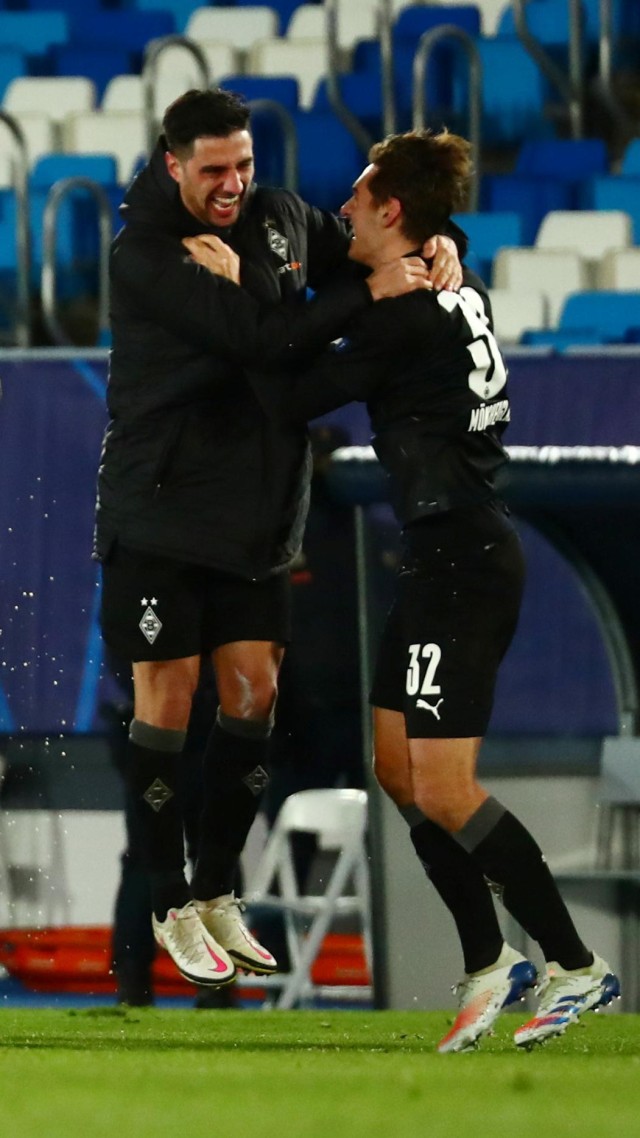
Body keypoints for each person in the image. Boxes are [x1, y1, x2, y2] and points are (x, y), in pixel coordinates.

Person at [186, 127, 621, 1050]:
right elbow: (401, 291)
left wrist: (231, 304)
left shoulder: (402, 316)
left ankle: (576, 966)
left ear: (391, 209)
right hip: (443, 554)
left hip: (461, 559)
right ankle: (487, 961)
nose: (341, 208)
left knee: (444, 785)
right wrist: (430, 248)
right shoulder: (455, 285)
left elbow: (289, 398)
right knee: (398, 768)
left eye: (356, 196)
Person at [94, 88, 463, 992]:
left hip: (259, 514)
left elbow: (372, 247)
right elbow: (259, 339)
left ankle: (218, 888)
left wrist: (434, 246)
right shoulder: (145, 254)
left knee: (254, 696)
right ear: (173, 163)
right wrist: (362, 291)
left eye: (244, 165)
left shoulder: (281, 218)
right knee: (169, 701)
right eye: (214, 170)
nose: (233, 185)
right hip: (161, 509)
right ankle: (169, 898)